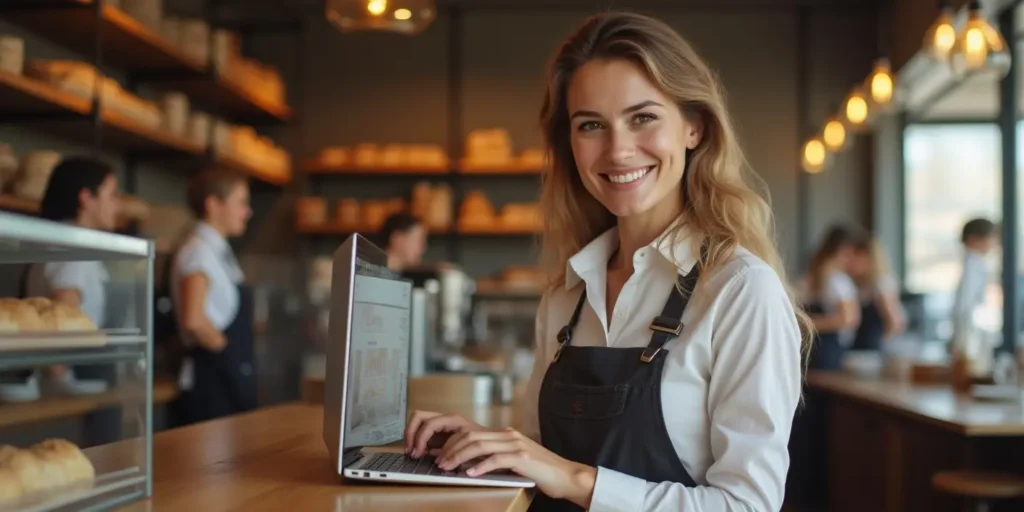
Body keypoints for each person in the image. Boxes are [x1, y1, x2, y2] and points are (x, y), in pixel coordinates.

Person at [404, 12, 808, 511]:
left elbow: (747, 505)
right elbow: (539, 460)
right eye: (591, 125)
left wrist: (576, 480)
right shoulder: (566, 294)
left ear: (694, 128)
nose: (618, 150)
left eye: (643, 118)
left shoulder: (741, 291)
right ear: (569, 146)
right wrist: (486, 446)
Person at [23, 156, 122, 445]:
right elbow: (60, 314)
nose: (118, 204)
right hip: (81, 391)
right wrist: (61, 378)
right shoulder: (75, 248)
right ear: (86, 198)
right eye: (112, 194)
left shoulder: (61, 242)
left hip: (79, 387)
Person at [170, 169, 255, 426]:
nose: (248, 212)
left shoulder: (216, 251)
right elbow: (194, 321)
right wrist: (229, 359)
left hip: (222, 376)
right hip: (212, 381)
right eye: (241, 202)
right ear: (213, 204)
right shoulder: (198, 252)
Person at [800, 225, 863, 370]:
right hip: (821, 349)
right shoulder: (834, 279)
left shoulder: (835, 280)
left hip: (827, 349)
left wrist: (808, 324)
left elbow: (848, 319)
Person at [848, 236, 906, 351]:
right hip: (862, 348)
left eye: (856, 258)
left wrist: (881, 347)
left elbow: (895, 322)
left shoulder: (881, 284)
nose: (851, 263)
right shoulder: (861, 285)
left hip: (873, 352)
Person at [951, 217, 998, 336]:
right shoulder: (971, 264)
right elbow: (964, 303)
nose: (994, 244)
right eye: (990, 238)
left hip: (972, 325)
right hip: (969, 326)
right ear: (973, 239)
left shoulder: (976, 262)